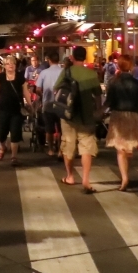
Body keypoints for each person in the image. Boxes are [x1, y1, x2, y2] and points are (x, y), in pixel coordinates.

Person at [55, 45, 103, 193]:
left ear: (73, 57)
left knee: (68, 145)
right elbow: (98, 96)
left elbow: (56, 88)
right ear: (85, 57)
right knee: (87, 146)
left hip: (69, 115)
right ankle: (86, 180)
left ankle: (70, 176)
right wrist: (98, 112)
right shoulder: (91, 74)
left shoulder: (67, 71)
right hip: (87, 115)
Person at [105, 55, 138, 190]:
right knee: (128, 147)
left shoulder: (113, 82)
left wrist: (99, 113)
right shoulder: (136, 83)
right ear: (131, 66)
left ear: (118, 66)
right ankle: (126, 172)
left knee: (120, 149)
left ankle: (124, 178)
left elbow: (108, 102)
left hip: (118, 116)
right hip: (133, 116)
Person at [0, 56, 28, 165]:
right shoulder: (0, 77)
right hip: (2, 110)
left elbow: (26, 92)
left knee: (15, 133)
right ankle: (3, 147)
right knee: (1, 133)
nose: (11, 65)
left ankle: (14, 156)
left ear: (15, 65)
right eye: (8, 63)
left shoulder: (20, 77)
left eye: (13, 63)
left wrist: (30, 105)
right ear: (4, 66)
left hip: (16, 110)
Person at [35, 51, 64, 157]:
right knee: (61, 129)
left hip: (48, 104)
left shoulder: (44, 73)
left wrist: (43, 95)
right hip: (61, 104)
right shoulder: (64, 72)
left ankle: (51, 149)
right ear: (58, 60)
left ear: (49, 60)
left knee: (49, 128)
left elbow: (38, 89)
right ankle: (60, 150)